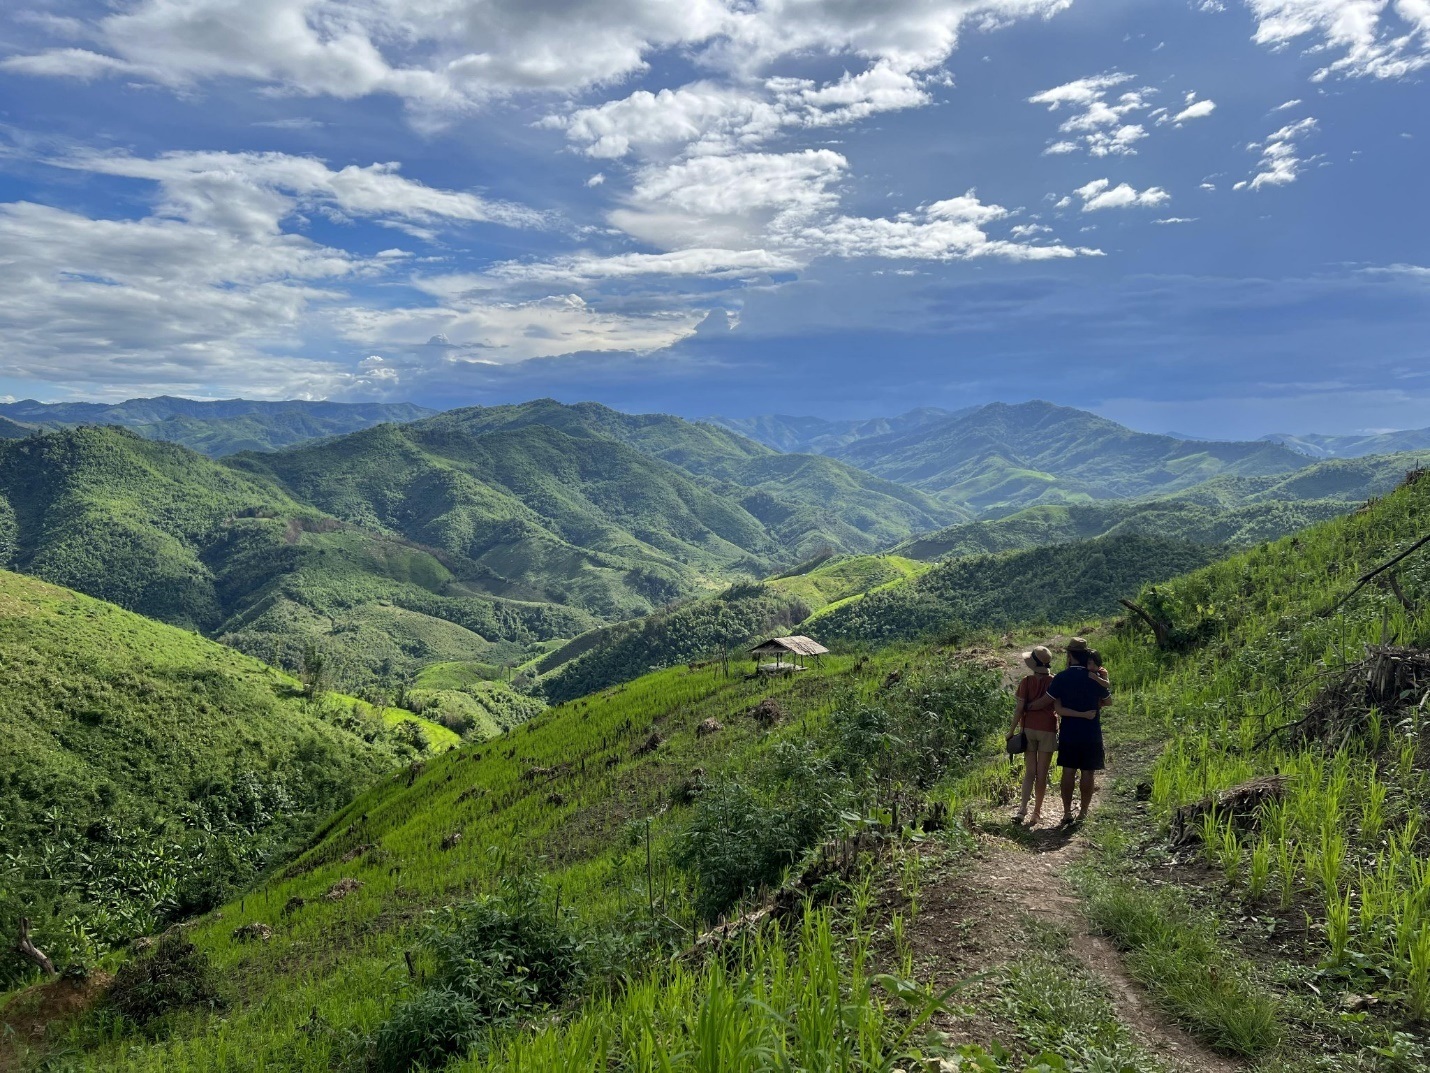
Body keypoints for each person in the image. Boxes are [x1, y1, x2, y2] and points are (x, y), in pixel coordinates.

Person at [1046, 637, 1110, 825]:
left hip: (1069, 732)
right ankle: (1083, 812)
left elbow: (1052, 701)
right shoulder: (1096, 677)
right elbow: (1107, 701)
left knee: (1068, 771)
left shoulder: (1062, 677)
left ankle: (1066, 812)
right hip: (1091, 732)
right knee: (1088, 772)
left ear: (1070, 655)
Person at [1009, 645, 1057, 826]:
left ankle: (1022, 809)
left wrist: (1012, 730)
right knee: (1042, 774)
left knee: (1030, 772)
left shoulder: (1026, 681)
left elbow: (1019, 709)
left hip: (1029, 729)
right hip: (1048, 729)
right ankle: (1036, 812)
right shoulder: (1054, 681)